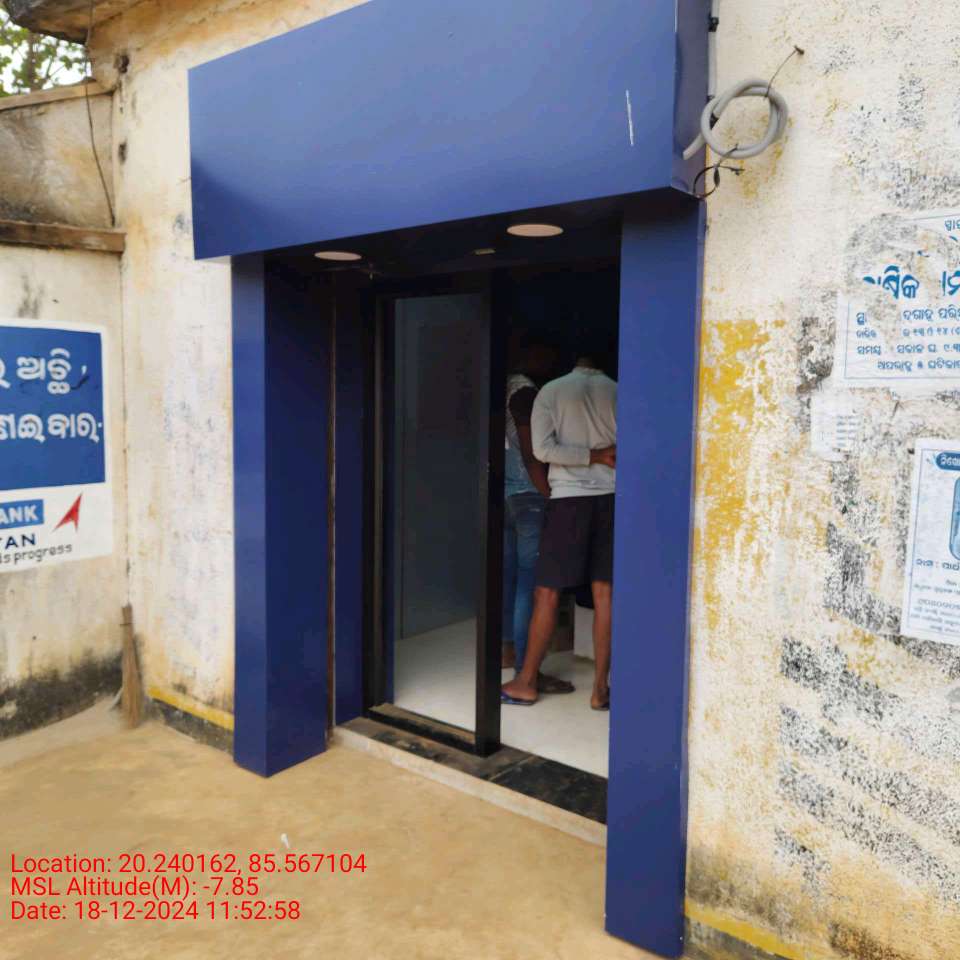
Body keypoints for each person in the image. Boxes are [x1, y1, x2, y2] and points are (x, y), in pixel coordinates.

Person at [501, 345, 617, 711]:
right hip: (612, 498)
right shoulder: (620, 391)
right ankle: (600, 690)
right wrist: (601, 456)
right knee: (605, 594)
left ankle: (526, 681)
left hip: (568, 499)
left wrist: (588, 457)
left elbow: (542, 450)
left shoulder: (550, 391)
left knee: (546, 592)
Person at [501, 335, 574, 695]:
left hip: (506, 497)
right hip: (529, 496)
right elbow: (532, 455)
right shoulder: (526, 393)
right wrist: (550, 495)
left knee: (511, 579)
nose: (551, 362)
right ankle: (525, 671)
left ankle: (507, 652)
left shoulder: (502, 387)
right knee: (529, 588)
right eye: (546, 354)